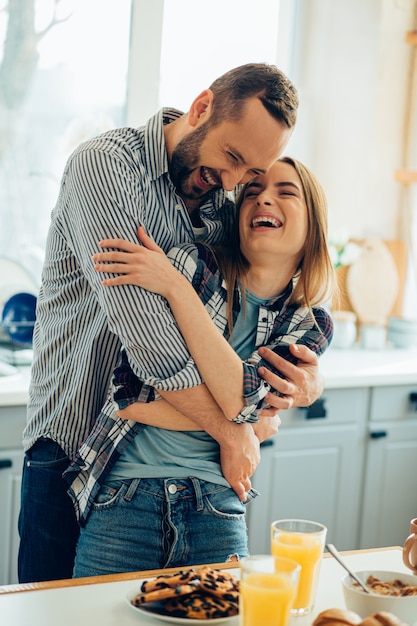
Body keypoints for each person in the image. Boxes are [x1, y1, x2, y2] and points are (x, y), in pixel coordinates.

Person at [18, 63, 323, 584]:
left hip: (168, 470)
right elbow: (151, 340)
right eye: (231, 157)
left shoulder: (225, 198)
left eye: (249, 173)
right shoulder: (107, 167)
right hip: (71, 444)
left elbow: (255, 303)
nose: (232, 184)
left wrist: (308, 381)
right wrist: (233, 430)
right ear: (201, 108)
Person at [70, 156, 335, 576]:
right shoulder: (193, 265)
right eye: (252, 191)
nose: (264, 198)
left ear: (314, 226)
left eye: (286, 192)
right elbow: (129, 394)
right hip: (124, 498)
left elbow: (246, 399)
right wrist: (239, 427)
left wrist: (176, 292)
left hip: (217, 505)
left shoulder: (309, 323)